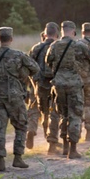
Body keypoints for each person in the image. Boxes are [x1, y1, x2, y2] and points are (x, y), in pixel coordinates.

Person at [0, 27, 39, 171]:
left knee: (0, 128)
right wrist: (22, 74)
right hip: (15, 96)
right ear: (11, 39)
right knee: (21, 125)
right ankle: (18, 158)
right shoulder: (19, 55)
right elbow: (35, 68)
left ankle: (1, 161)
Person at [45, 21, 90, 159]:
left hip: (59, 84)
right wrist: (82, 70)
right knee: (75, 115)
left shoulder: (54, 45)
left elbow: (48, 61)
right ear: (74, 31)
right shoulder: (79, 45)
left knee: (64, 114)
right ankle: (73, 149)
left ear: (61, 31)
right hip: (74, 84)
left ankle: (64, 146)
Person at [26, 23, 60, 154]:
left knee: (34, 108)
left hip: (38, 84)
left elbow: (28, 67)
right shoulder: (57, 47)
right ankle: (51, 141)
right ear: (56, 35)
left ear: (44, 34)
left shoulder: (36, 48)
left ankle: (31, 129)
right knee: (53, 112)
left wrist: (32, 83)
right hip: (54, 84)